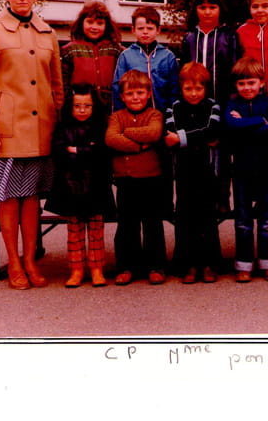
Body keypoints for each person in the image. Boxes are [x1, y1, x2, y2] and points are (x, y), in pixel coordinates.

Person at [0, 0, 64, 289]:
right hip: (4, 130)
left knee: (32, 199)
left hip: (42, 130)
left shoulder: (48, 32)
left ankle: (30, 261)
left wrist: (59, 123)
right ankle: (13, 263)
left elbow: (57, 84)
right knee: (10, 198)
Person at [45, 83, 115, 287]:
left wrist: (75, 150)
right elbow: (58, 152)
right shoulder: (62, 128)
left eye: (87, 106)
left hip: (96, 186)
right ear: (70, 106)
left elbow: (102, 153)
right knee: (74, 230)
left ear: (94, 106)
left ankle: (96, 268)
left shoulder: (101, 127)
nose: (82, 110)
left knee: (96, 230)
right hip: (70, 186)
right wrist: (86, 150)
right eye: (77, 106)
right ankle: (76, 269)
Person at [105, 69, 168, 285]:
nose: (135, 97)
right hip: (126, 179)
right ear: (122, 96)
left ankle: (156, 266)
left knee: (152, 223)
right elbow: (111, 138)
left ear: (149, 94)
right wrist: (140, 145)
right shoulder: (116, 117)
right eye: (130, 93)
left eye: (140, 93)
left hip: (151, 177)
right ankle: (126, 266)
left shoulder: (155, 115)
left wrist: (126, 134)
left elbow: (154, 133)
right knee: (127, 225)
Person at [179, 0, 238, 214]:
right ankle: (198, 199)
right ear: (195, 10)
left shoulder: (229, 36)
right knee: (197, 152)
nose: (207, 12)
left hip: (222, 102)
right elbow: (184, 72)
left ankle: (222, 199)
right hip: (195, 104)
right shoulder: (189, 38)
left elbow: (234, 70)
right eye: (202, 7)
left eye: (212, 7)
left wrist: (231, 102)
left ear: (220, 9)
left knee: (221, 153)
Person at [223, 57, 268, 283]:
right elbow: (231, 125)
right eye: (242, 83)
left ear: (261, 82)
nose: (247, 88)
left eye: (251, 82)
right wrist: (259, 121)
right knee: (243, 221)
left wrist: (247, 124)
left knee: (267, 221)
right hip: (241, 171)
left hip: (266, 169)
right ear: (235, 85)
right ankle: (244, 264)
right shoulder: (232, 104)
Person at [164, 62, 222, 283]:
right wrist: (198, 138)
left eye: (198, 88)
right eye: (188, 89)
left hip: (207, 169)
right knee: (185, 218)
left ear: (205, 87)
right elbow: (169, 137)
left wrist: (183, 138)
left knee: (207, 218)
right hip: (184, 170)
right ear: (181, 88)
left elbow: (213, 132)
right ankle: (187, 265)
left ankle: (208, 264)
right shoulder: (173, 108)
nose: (194, 93)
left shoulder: (213, 106)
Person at [111, 5, 179, 115]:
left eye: (150, 28)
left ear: (158, 30)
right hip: (134, 116)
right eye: (141, 28)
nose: (145, 32)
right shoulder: (126, 56)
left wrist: (172, 115)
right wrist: (120, 116)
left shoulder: (168, 56)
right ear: (133, 30)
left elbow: (174, 88)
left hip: (163, 114)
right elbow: (117, 88)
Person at [61, 0, 122, 109]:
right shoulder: (69, 50)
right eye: (90, 22)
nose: (94, 27)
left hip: (110, 106)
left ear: (107, 25)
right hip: (81, 107)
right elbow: (63, 83)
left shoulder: (116, 50)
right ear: (81, 23)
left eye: (100, 23)